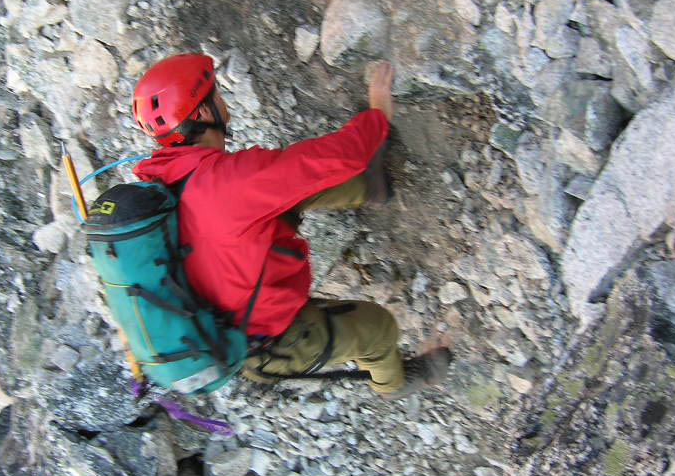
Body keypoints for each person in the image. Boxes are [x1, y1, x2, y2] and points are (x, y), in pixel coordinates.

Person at [130, 53, 451, 399]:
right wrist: (376, 117)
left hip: (221, 311)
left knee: (284, 189)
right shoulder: (230, 182)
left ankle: (369, 183)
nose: (223, 102)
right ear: (205, 114)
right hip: (266, 341)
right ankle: (395, 383)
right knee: (378, 329)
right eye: (217, 96)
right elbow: (334, 156)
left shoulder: (159, 182)